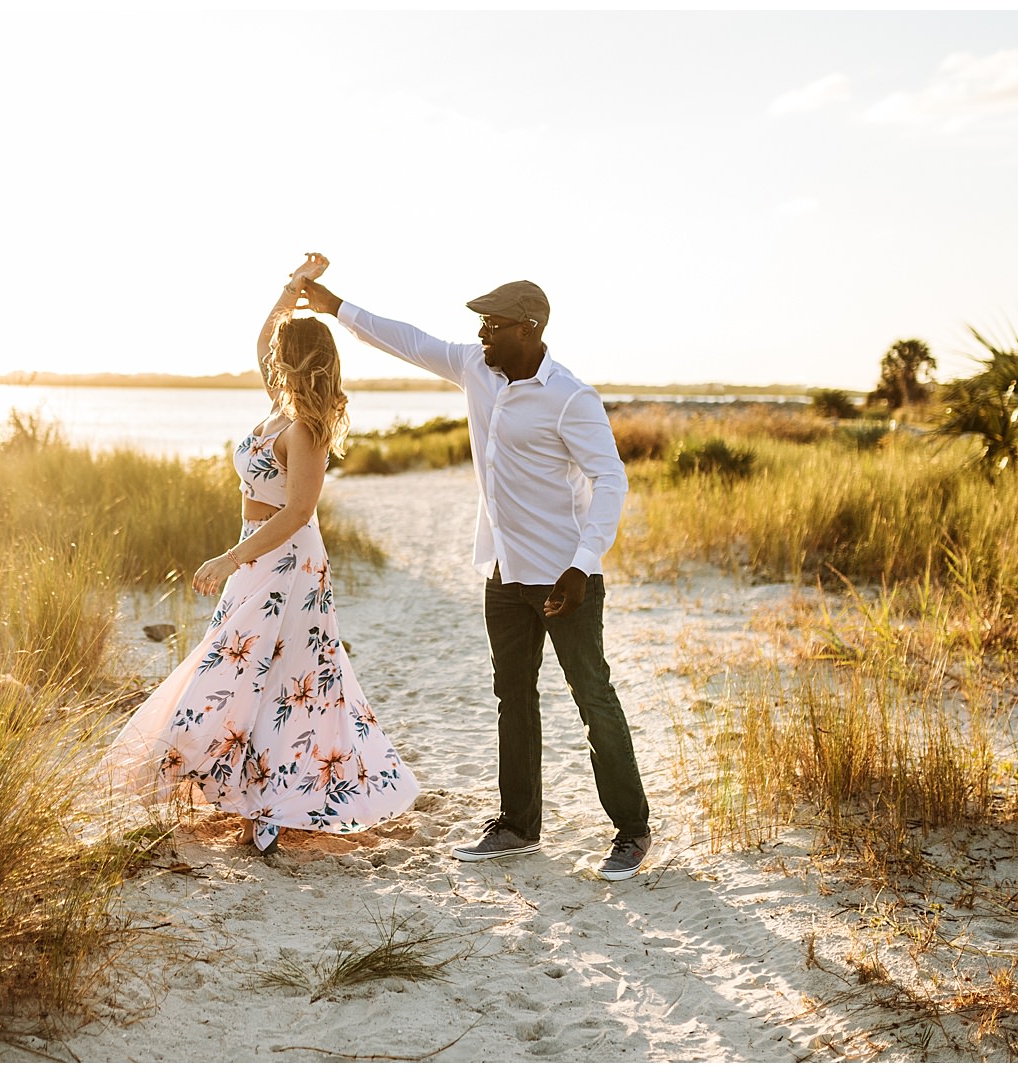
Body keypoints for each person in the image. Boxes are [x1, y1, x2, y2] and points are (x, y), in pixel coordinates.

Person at [300, 273, 652, 881]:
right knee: (513, 700)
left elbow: (610, 481)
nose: (481, 334)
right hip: (504, 572)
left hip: (565, 577)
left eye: (492, 324)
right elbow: (406, 339)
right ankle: (517, 826)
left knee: (592, 697)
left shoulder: (572, 397)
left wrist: (584, 564)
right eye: (480, 324)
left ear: (528, 329)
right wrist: (335, 307)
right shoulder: (475, 368)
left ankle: (632, 831)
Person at [96, 254, 418, 855]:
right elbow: (263, 336)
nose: (270, 355)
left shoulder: (307, 428)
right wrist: (294, 288)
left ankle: (271, 802)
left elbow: (297, 514)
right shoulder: (278, 406)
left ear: (296, 362)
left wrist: (227, 558)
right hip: (259, 562)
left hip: (288, 564)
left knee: (287, 677)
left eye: (281, 351)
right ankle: (243, 791)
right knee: (247, 670)